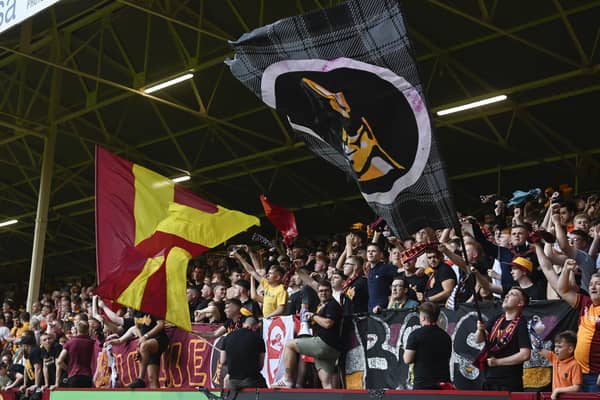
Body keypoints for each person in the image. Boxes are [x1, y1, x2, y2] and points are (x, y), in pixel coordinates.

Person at [280, 280, 343, 389]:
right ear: (317, 293)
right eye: (321, 291)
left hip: (324, 344)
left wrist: (313, 316)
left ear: (331, 292)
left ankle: (287, 380)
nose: (323, 293)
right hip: (330, 349)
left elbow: (328, 324)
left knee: (289, 345)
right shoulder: (321, 305)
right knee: (327, 383)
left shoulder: (333, 305)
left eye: (326, 291)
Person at [474, 287, 531, 391]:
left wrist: (498, 362)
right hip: (489, 378)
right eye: (507, 293)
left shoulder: (521, 324)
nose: (507, 296)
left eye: (513, 294)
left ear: (520, 303)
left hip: (508, 381)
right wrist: (479, 330)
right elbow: (478, 339)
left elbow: (525, 354)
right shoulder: (496, 319)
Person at [556, 259, 600, 392]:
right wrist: (566, 269)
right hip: (578, 372)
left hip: (596, 376)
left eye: (598, 284)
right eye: (591, 284)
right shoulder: (585, 303)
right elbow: (562, 290)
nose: (592, 287)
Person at [106, 311, 168, 388]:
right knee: (152, 378)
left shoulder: (152, 308)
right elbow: (137, 328)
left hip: (159, 339)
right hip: (148, 344)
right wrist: (140, 340)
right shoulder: (137, 313)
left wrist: (145, 336)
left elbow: (161, 324)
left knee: (144, 346)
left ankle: (140, 379)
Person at [403, 302, 452, 389]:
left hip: (423, 385)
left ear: (423, 318)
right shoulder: (446, 336)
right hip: (443, 385)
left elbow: (407, 359)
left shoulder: (416, 335)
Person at [220, 317, 266, 391]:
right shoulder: (258, 338)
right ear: (253, 327)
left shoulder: (228, 337)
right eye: (256, 329)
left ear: (244, 325)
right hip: (252, 381)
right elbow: (260, 365)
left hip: (232, 382)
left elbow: (222, 361)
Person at [540, 330, 582, 400]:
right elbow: (539, 349)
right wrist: (532, 333)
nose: (556, 349)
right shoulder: (555, 358)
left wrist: (557, 390)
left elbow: (576, 388)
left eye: (559, 347)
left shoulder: (575, 365)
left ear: (570, 349)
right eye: (555, 346)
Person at [52, 320, 95, 389]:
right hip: (87, 376)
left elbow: (59, 361)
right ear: (88, 330)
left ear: (77, 329)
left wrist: (68, 369)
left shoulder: (70, 343)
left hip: (73, 375)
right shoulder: (92, 343)